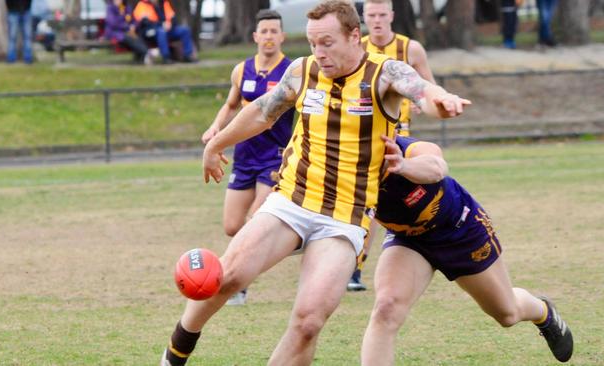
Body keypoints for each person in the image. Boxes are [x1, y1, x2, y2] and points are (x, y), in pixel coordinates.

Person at [160, 1, 470, 365]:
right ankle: (175, 354)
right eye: (312, 44)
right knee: (226, 277)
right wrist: (215, 143)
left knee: (308, 322)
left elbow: (421, 90)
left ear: (355, 36)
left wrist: (441, 100)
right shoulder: (302, 71)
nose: (318, 53)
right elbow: (262, 111)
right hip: (291, 201)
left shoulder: (384, 74)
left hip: (344, 219)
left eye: (327, 43)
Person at [360, 135, 574, 364]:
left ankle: (542, 311)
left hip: (459, 228)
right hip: (409, 239)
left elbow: (436, 167)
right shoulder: (343, 166)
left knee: (507, 313)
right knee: (386, 309)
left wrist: (404, 166)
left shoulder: (405, 147)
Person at [200, 9, 294, 306]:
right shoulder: (242, 70)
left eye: (273, 32)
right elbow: (230, 105)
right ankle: (274, 248)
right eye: (263, 32)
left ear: (282, 36)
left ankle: (237, 282)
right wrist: (216, 127)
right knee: (232, 225)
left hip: (275, 157)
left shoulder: (292, 71)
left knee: (256, 217)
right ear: (255, 36)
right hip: (245, 156)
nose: (268, 37)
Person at [348, 0, 437, 292]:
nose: (376, 20)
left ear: (392, 16)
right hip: (364, 134)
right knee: (368, 202)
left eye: (381, 15)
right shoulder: (355, 47)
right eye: (371, 15)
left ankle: (423, 250)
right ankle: (355, 268)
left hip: (400, 136)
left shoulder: (410, 49)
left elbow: (428, 85)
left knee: (403, 198)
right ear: (363, 17)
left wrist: (427, 101)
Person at [105, 0, 151, 64]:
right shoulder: (110, 8)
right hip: (116, 32)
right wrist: (127, 27)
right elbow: (113, 23)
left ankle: (141, 55)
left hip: (128, 31)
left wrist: (133, 26)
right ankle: (145, 52)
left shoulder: (125, 7)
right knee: (129, 37)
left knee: (138, 35)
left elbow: (134, 20)